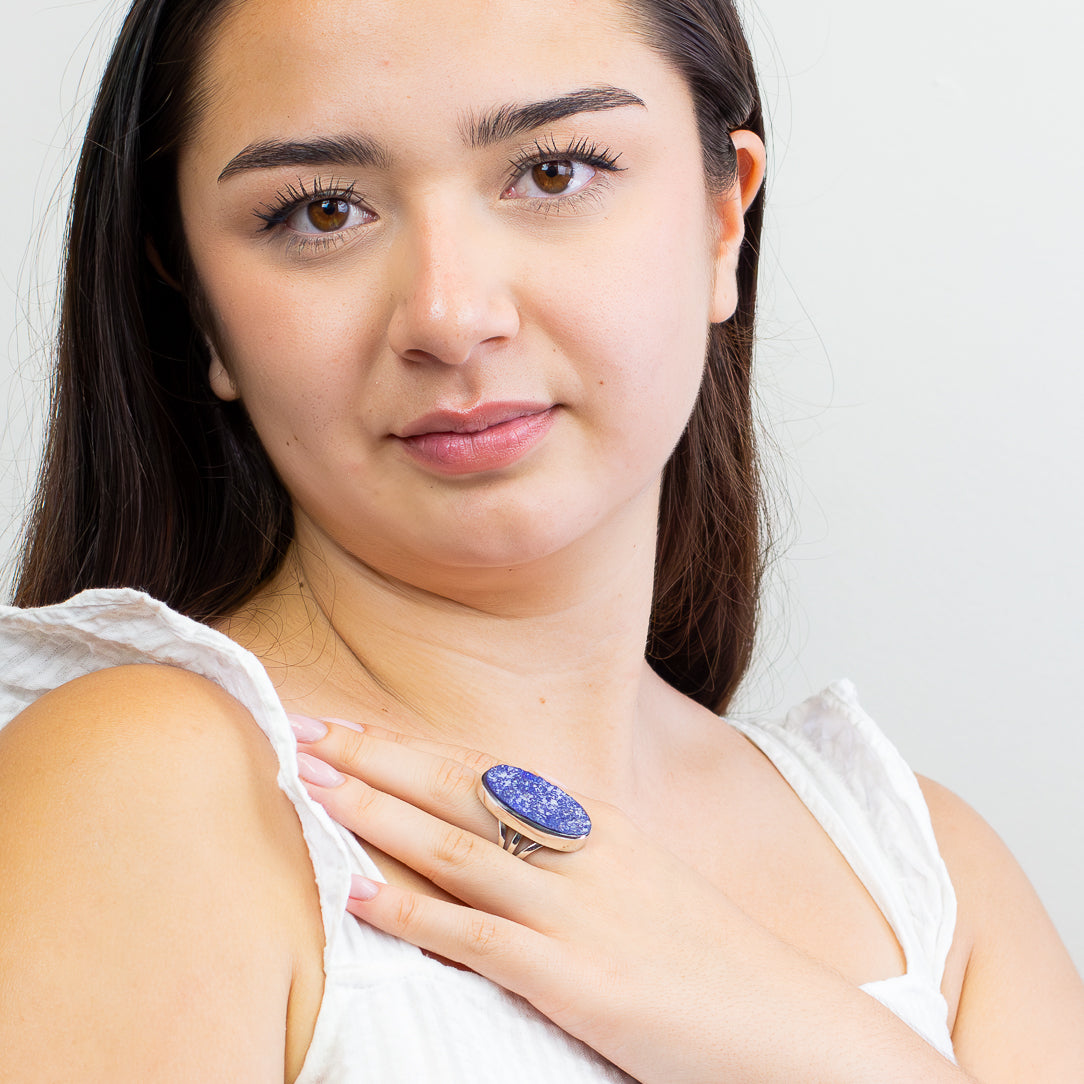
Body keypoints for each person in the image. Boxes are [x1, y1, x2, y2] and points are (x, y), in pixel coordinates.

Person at [1, 0, 1081, 1079]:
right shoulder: (152, 789)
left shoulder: (926, 873)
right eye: (322, 211)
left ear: (722, 221)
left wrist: (801, 1036)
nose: (449, 313)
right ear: (198, 306)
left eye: (554, 172)